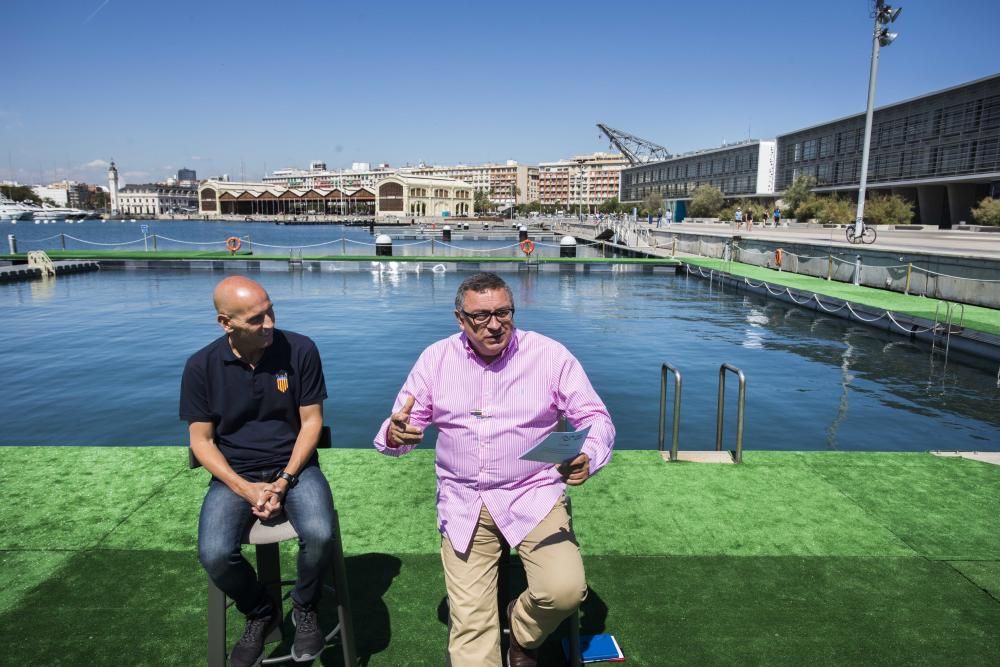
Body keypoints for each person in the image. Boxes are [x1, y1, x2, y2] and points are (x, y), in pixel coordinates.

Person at [374, 272, 615, 667]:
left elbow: (595, 416)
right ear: (460, 319)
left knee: (564, 591)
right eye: (480, 316)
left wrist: (589, 451)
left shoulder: (549, 355)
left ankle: (521, 633)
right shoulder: (435, 359)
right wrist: (396, 433)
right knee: (470, 628)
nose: (494, 324)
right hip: (465, 500)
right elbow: (401, 424)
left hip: (534, 492)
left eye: (503, 312)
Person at [180, 276, 335, 667]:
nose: (268, 324)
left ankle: (303, 605)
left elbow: (312, 422)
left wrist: (283, 480)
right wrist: (245, 489)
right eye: (255, 319)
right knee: (214, 554)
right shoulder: (201, 366)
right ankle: (260, 609)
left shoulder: (300, 349)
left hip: (295, 469)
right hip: (234, 475)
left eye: (270, 312)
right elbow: (201, 441)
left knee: (320, 533)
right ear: (224, 322)